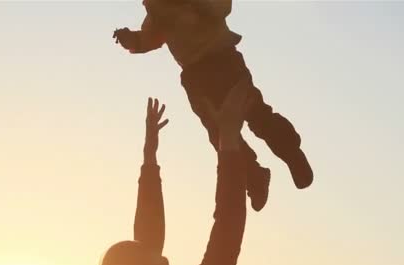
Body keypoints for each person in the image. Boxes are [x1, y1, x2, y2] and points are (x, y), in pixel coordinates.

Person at [86, 80, 251, 265]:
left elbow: (147, 238)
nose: (164, 260)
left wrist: (150, 160)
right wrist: (228, 140)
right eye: (152, 260)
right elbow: (227, 228)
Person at [112, 0, 314, 211]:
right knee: (220, 134)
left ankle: (291, 154)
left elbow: (222, 7)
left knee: (255, 113)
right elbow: (151, 36)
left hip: (223, 59)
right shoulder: (157, 8)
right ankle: (254, 177)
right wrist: (133, 40)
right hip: (195, 75)